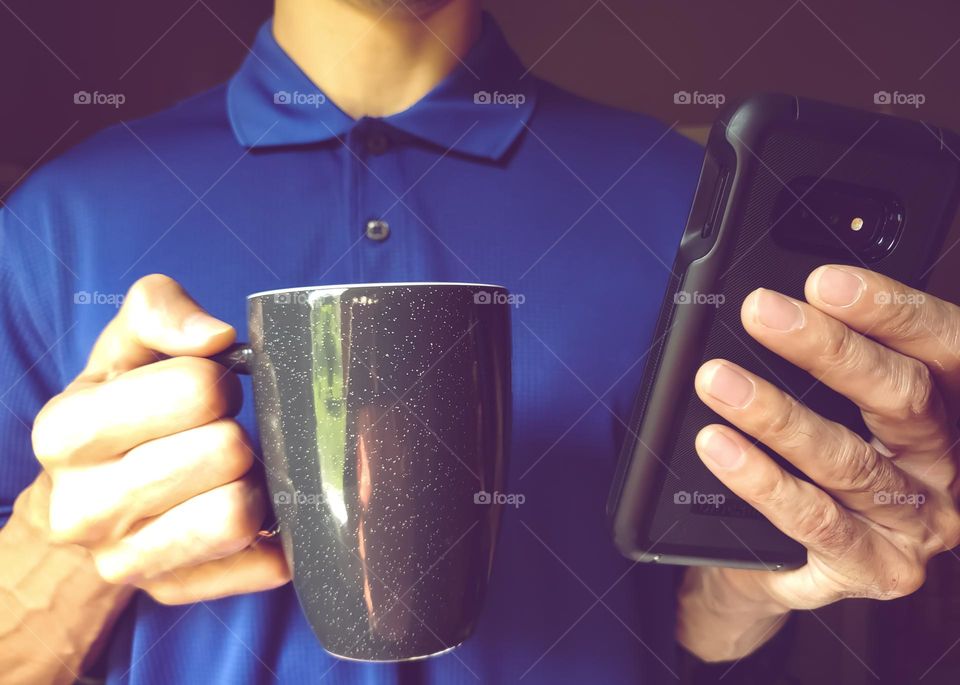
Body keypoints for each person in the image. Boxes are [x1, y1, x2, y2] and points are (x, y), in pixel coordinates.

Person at [2, 1, 958, 683]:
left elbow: (698, 638)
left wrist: (742, 604)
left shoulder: (686, 203)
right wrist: (62, 552)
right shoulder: (58, 218)